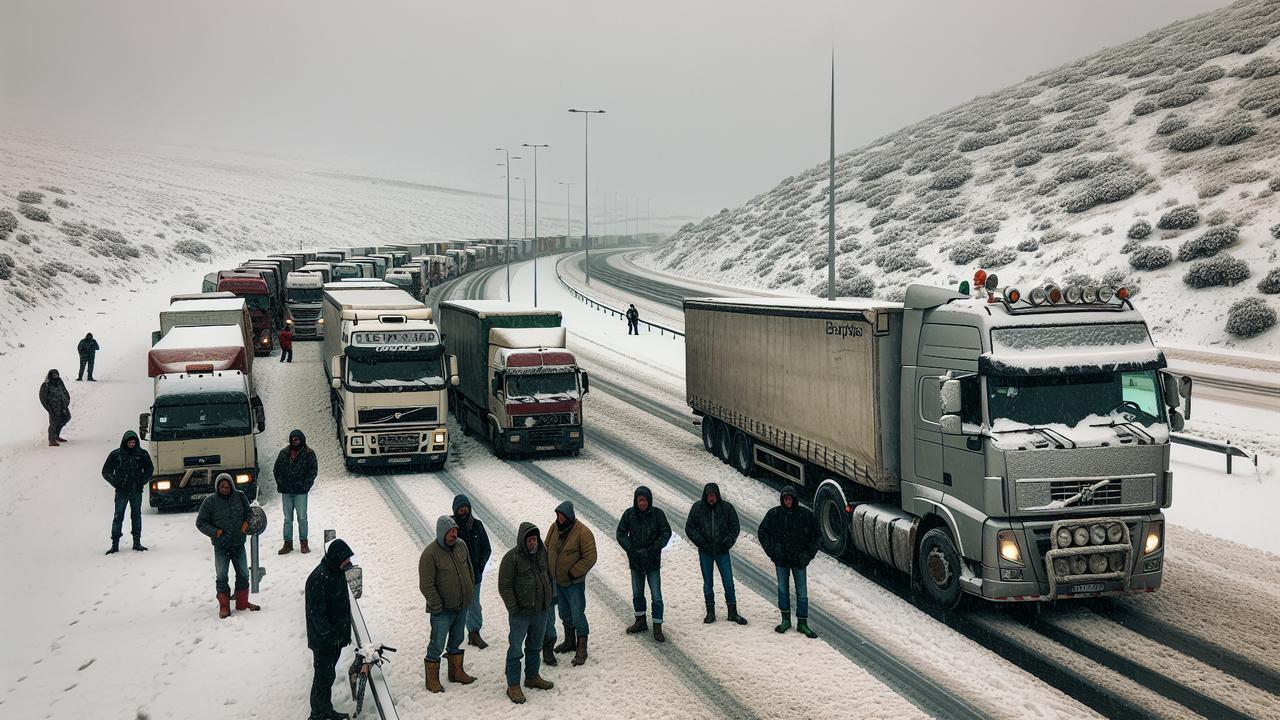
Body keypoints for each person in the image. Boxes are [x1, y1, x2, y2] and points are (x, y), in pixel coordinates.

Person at [497, 522, 556, 704]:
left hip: (541, 611)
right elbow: (504, 586)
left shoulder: (542, 553)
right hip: (520, 614)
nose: (533, 543)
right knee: (515, 648)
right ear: (523, 540)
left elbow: (548, 574)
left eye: (535, 539)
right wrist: (514, 608)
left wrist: (549, 599)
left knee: (535, 646)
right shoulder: (511, 558)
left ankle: (532, 677)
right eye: (530, 540)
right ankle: (513, 685)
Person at [418, 515, 476, 693]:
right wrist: (437, 606)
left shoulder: (461, 545)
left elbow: (469, 569)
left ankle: (456, 672)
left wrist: (469, 590)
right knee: (437, 644)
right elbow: (426, 585)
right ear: (441, 533)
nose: (453, 535)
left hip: (461, 606)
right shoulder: (430, 554)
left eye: (455, 531)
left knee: (457, 640)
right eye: (450, 532)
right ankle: (432, 680)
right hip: (442, 611)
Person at [196, 473, 261, 619]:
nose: (225, 488)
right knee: (222, 576)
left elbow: (249, 513)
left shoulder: (240, 496)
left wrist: (246, 524)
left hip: (238, 544)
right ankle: (224, 606)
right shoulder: (210, 501)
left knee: (243, 574)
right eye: (222, 486)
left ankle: (242, 603)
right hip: (221, 546)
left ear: (231, 485)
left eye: (227, 486)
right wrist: (216, 532)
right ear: (218, 487)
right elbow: (200, 522)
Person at [757, 486, 819, 638]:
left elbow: (816, 537)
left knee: (802, 592)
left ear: (794, 499)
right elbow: (762, 532)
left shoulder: (805, 515)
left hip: (799, 561)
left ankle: (802, 623)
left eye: (790, 499)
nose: (788, 501)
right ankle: (785, 620)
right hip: (782, 561)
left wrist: (807, 556)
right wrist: (773, 552)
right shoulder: (774, 514)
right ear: (782, 500)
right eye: (785, 499)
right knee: (783, 590)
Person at [305, 538, 355, 720]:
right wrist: (331, 636)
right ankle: (318, 713)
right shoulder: (319, 578)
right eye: (346, 560)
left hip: (333, 638)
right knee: (323, 678)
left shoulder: (334, 572)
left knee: (327, 676)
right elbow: (317, 614)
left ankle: (324, 710)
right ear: (336, 558)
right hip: (324, 641)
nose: (348, 563)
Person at [685, 482, 747, 625]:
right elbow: (690, 528)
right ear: (705, 496)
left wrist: (726, 543)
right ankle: (710, 612)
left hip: (722, 551)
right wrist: (702, 542)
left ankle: (732, 612)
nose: (711, 498)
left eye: (713, 495)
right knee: (708, 583)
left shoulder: (727, 508)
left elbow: (735, 528)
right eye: (709, 495)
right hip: (705, 551)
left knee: (728, 582)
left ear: (717, 495)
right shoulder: (697, 508)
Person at [616, 486, 671, 642]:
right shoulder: (629, 514)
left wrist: (654, 548)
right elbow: (620, 533)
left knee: (656, 595)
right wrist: (631, 549)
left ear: (649, 500)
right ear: (636, 501)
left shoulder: (658, 514)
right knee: (637, 593)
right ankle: (640, 621)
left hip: (652, 562)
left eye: (644, 500)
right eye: (640, 500)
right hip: (636, 561)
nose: (642, 503)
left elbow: (666, 532)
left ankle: (657, 626)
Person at [545, 500, 596, 666]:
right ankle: (569, 641)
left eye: (562, 516)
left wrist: (573, 572)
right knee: (564, 614)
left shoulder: (582, 532)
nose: (559, 519)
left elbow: (590, 557)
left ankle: (582, 647)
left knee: (577, 615)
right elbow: (546, 547)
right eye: (558, 515)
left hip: (574, 583)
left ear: (569, 516)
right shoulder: (554, 528)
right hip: (557, 582)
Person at [102, 430, 154, 554]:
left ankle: (137, 542)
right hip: (122, 491)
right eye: (129, 442)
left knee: (136, 516)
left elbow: (149, 469)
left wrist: (142, 481)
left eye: (133, 442)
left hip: (136, 490)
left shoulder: (142, 454)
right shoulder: (116, 455)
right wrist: (116, 482)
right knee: (118, 516)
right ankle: (115, 544)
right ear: (125, 442)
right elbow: (106, 471)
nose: (131, 444)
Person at [452, 494, 492, 650]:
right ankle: (454, 637)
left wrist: (479, 566)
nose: (464, 512)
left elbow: (486, 549)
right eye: (461, 510)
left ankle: (474, 633)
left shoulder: (477, 526)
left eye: (466, 509)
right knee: (456, 606)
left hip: (474, 575)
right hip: (456, 578)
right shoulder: (451, 528)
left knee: (474, 605)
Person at [274, 429, 317, 555]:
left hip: (301, 492)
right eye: (293, 439)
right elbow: (276, 470)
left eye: (297, 439)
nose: (295, 441)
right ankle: (288, 543)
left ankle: (304, 543)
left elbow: (313, 471)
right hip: (286, 492)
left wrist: (305, 486)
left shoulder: (309, 453)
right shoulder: (283, 453)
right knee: (287, 519)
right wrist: (282, 484)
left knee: (302, 517)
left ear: (302, 439)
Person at [39, 369, 71, 447]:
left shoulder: (59, 381)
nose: (55, 376)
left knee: (66, 418)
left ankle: (56, 436)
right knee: (53, 423)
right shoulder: (46, 384)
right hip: (53, 407)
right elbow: (42, 398)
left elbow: (65, 391)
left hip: (63, 405)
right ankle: (52, 440)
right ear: (50, 375)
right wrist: (49, 408)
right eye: (53, 374)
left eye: (56, 374)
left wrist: (67, 399)